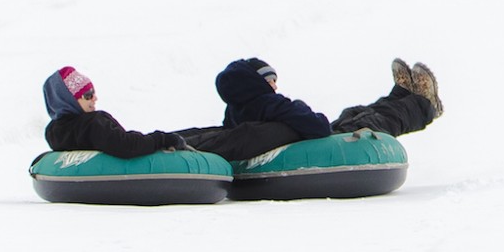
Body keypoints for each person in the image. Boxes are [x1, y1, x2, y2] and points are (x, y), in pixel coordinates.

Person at [42, 59, 442, 162]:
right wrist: (288, 106)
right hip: (319, 137)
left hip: (297, 137)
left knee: (356, 114)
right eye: (268, 79)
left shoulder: (240, 112)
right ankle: (421, 104)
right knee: (362, 121)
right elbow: (318, 128)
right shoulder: (271, 106)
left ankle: (401, 94)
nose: (274, 85)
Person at [41, 67, 190, 160]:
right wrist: (162, 139)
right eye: (88, 95)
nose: (95, 98)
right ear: (68, 100)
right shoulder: (92, 123)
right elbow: (126, 145)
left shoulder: (53, 132)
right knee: (191, 138)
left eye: (93, 93)